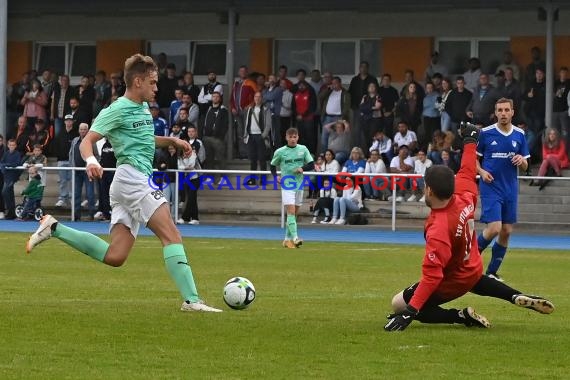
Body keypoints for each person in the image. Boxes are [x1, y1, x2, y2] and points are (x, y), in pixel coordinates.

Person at [26, 54, 222, 313]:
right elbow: (87, 141)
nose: (156, 88)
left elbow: (143, 137)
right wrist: (91, 161)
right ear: (138, 81)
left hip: (128, 181)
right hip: (132, 179)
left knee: (116, 256)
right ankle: (192, 300)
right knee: (171, 234)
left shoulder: (141, 107)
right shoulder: (115, 110)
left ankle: (55, 229)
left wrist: (172, 141)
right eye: (152, 83)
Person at [384, 123, 554, 332]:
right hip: (473, 267)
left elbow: (433, 277)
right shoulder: (463, 196)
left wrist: (409, 312)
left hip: (454, 279)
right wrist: (470, 140)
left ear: (430, 191)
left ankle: (460, 315)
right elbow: (466, 168)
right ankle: (514, 295)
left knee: (399, 304)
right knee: (469, 278)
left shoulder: (438, 228)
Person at [476, 98, 530, 281]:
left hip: (510, 187)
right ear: (496, 112)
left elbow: (526, 165)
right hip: (491, 186)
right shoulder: (485, 133)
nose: (504, 113)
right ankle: (467, 259)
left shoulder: (520, 134)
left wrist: (521, 161)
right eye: (500, 110)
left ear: (512, 112)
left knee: (506, 230)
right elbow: (472, 160)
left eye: (507, 110)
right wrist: (482, 172)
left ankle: (491, 272)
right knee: (494, 228)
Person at [270, 127, 314, 249]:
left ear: (298, 137)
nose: (293, 139)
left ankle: (286, 240)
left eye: (295, 137)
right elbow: (272, 165)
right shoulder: (280, 152)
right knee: (290, 212)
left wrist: (302, 168)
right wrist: (275, 177)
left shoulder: (303, 149)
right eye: (290, 137)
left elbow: (311, 164)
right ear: (286, 138)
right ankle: (295, 238)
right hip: (287, 185)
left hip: (299, 185)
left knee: (293, 215)